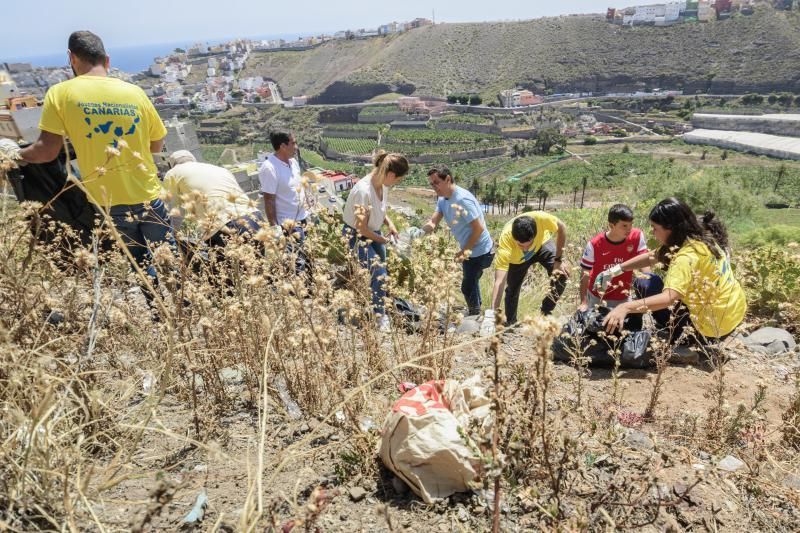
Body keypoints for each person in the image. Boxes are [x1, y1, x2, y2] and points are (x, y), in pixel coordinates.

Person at [15, 30, 173, 307]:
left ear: (72, 59)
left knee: (141, 264)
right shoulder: (134, 91)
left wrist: (13, 154)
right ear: (107, 60)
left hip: (108, 202)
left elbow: (46, 152)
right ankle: (187, 314)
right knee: (170, 261)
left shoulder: (61, 93)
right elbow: (156, 144)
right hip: (149, 195)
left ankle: (160, 312)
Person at [600, 198, 747, 349]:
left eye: (655, 228)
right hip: (733, 315)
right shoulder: (701, 236)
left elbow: (668, 298)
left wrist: (625, 307)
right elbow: (653, 256)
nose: (652, 232)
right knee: (650, 281)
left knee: (645, 284)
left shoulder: (685, 258)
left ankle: (681, 339)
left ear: (670, 228)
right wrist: (615, 270)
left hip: (709, 330)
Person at [342, 151, 409, 332]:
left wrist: (390, 224)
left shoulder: (382, 184)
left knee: (382, 272)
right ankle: (379, 316)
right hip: (357, 236)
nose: (396, 183)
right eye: (398, 180)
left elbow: (380, 209)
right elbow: (360, 228)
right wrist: (383, 240)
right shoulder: (363, 191)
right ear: (391, 175)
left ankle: (380, 303)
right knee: (378, 272)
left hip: (375, 232)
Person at [420, 165, 494, 316]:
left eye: (436, 182)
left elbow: (478, 229)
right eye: (431, 184)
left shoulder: (462, 200)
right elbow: (435, 220)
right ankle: (476, 311)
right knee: (471, 280)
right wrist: (424, 229)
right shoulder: (443, 197)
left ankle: (474, 314)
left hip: (480, 250)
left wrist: (464, 251)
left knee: (467, 286)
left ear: (448, 179)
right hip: (470, 249)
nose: (434, 187)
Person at [481, 211, 569, 336]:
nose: (526, 249)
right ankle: (511, 324)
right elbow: (499, 281)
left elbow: (562, 227)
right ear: (514, 238)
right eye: (521, 245)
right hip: (517, 260)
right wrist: (491, 316)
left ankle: (545, 312)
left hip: (541, 245)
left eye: (528, 244)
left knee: (562, 275)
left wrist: (558, 260)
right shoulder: (506, 240)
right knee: (512, 290)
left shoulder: (541, 219)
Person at [163, 150, 264, 247]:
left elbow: (173, 213)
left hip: (225, 224)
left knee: (234, 264)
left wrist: (179, 240)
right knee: (260, 262)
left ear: (171, 165)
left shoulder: (172, 173)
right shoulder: (218, 169)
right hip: (255, 216)